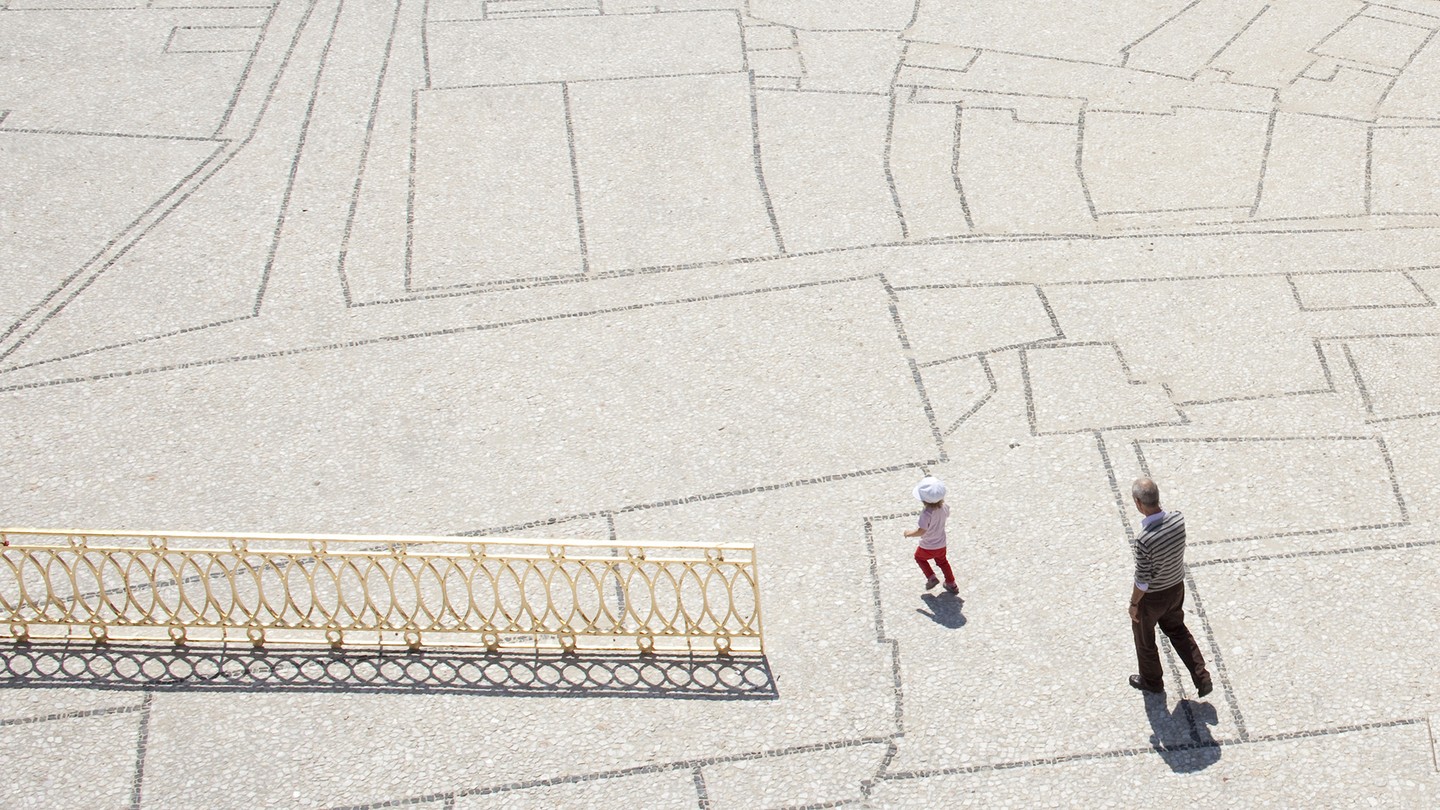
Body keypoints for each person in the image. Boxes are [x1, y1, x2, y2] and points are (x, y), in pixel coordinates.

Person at [1127, 477, 1213, 697]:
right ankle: (1202, 677)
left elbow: (1143, 580)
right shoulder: (1178, 519)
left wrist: (1134, 603)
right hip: (1176, 589)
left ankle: (1152, 681)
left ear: (1138, 503)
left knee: (1145, 640)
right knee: (1178, 630)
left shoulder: (1144, 539)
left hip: (1153, 598)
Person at [904, 476, 958, 594]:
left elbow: (921, 531)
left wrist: (909, 533)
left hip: (927, 545)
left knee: (919, 558)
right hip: (941, 544)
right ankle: (951, 583)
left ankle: (931, 577)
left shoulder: (926, 514)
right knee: (943, 562)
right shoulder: (944, 507)